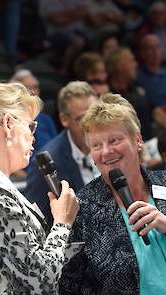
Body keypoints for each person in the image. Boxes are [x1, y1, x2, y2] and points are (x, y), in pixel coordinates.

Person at [59, 93, 166, 295]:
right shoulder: (83, 208)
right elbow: (68, 286)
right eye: (96, 145)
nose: (106, 152)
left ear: (138, 140)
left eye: (114, 140)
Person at [0, 79, 79, 293]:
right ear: (8, 124)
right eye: (30, 126)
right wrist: (63, 223)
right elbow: (41, 280)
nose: (33, 136)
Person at [26, 81, 99, 227]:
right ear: (64, 119)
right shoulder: (46, 164)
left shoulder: (108, 149)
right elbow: (36, 224)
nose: (89, 125)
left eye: (94, 116)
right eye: (81, 119)